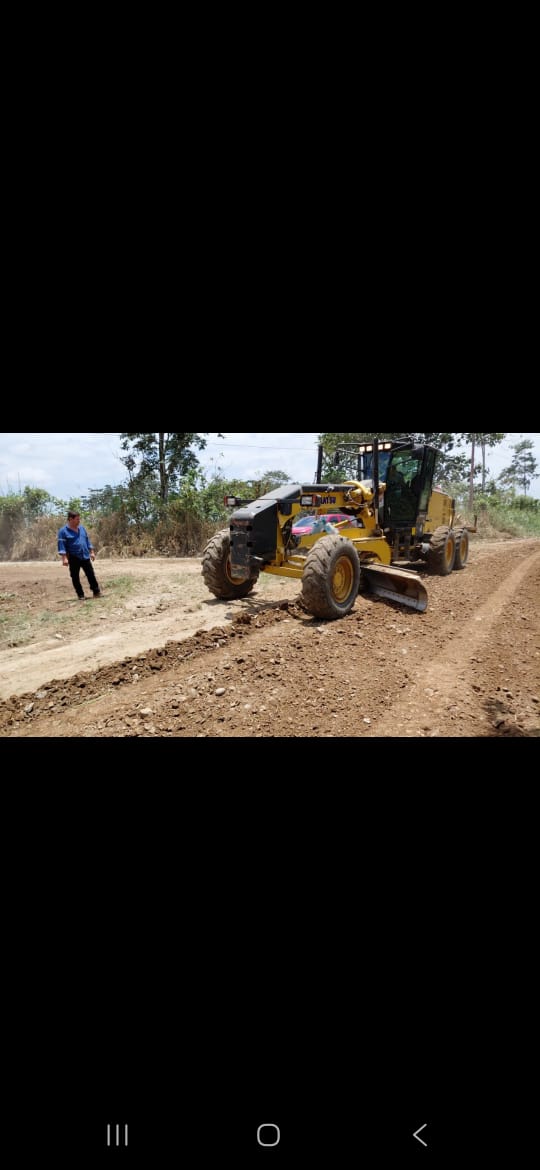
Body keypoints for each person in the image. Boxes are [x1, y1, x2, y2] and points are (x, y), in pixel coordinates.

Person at [58, 511, 103, 600]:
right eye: (77, 519)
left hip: (85, 555)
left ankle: (96, 592)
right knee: (75, 577)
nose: (79, 521)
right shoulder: (63, 531)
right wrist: (64, 558)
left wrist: (91, 552)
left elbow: (87, 540)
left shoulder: (82, 528)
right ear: (70, 519)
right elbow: (61, 545)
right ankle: (80, 595)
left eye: (79, 519)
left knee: (91, 574)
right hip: (73, 556)